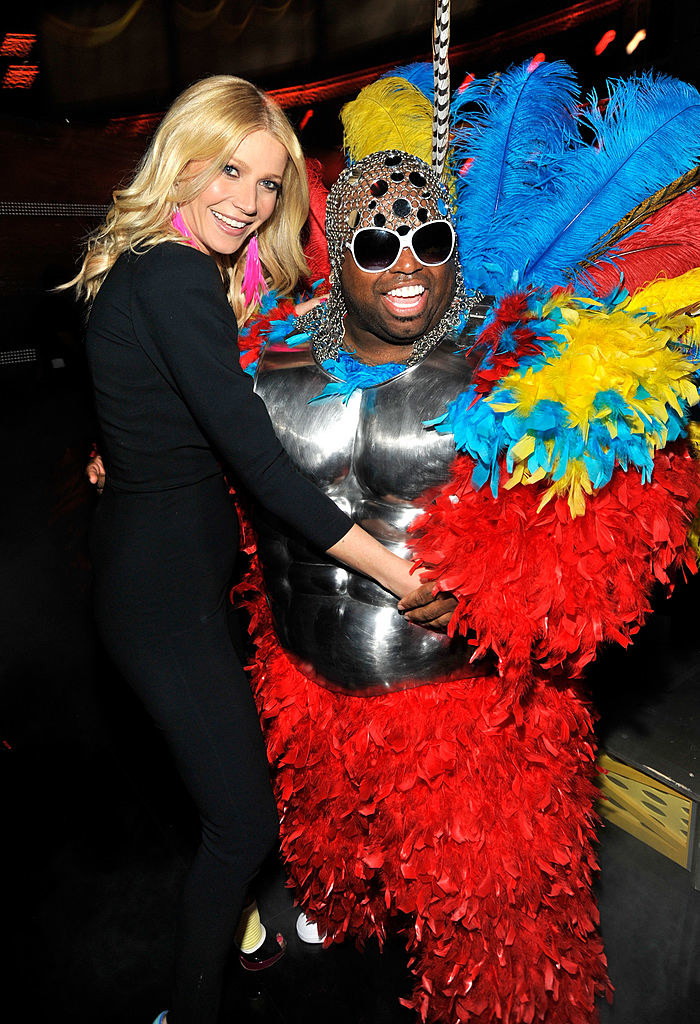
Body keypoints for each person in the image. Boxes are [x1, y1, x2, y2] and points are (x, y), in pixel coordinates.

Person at [232, 59, 700, 1023]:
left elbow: (627, 511)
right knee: (340, 872)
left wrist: (501, 591)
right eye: (377, 239)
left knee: (499, 939)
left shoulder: (519, 358)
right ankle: (343, 924)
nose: (406, 259)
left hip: (471, 724)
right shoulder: (258, 359)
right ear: (336, 254)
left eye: (428, 235)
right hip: (309, 697)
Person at [69, 74, 424, 1024]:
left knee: (224, 785)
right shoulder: (183, 281)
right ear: (182, 158)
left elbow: (153, 399)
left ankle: (248, 932)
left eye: (270, 184)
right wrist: (396, 571)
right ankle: (189, 1009)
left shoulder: (148, 266)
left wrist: (121, 454)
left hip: (159, 575)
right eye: (230, 169)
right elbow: (262, 465)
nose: (249, 199)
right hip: (162, 593)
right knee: (245, 821)